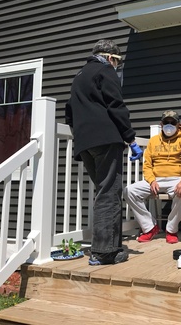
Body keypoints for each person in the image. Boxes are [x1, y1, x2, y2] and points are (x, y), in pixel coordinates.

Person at [65, 39, 143, 265]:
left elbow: (69, 111)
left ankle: (108, 247)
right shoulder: (105, 70)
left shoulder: (79, 76)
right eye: (117, 62)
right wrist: (130, 138)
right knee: (109, 194)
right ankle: (104, 252)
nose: (116, 66)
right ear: (111, 58)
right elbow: (115, 105)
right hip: (106, 140)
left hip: (85, 144)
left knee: (103, 192)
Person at [123, 110, 181, 244]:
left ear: (178, 124)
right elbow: (147, 164)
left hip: (176, 178)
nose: (169, 125)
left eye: (172, 122)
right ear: (161, 124)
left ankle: (171, 230)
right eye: (166, 122)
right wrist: (151, 180)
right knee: (129, 191)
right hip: (156, 179)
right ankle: (149, 227)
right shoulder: (153, 141)